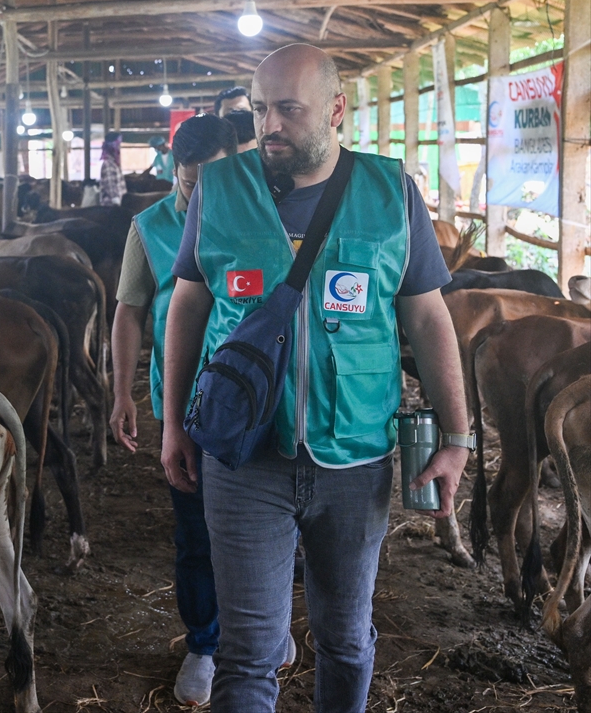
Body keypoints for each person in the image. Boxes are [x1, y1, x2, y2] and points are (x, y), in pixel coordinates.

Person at [161, 44, 468, 712]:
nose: (269, 125)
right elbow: (188, 305)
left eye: (288, 110)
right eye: (260, 109)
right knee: (248, 653)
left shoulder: (390, 192)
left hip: (355, 457)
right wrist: (174, 423)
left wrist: (457, 436)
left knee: (346, 639)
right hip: (243, 457)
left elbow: (427, 317)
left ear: (335, 110)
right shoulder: (220, 188)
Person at [110, 115, 237, 706]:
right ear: (175, 174)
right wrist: (122, 392)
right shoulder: (151, 227)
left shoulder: (265, 216)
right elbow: (129, 311)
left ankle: (260, 624)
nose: (200, 194)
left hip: (261, 398)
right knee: (195, 529)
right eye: (190, 184)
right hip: (184, 403)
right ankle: (205, 643)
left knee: (269, 523)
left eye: (214, 181)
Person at [98, 132, 125, 206]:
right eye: (118, 144)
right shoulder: (108, 164)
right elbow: (110, 184)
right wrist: (116, 201)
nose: (119, 147)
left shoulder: (113, 163)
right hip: (111, 205)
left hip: (118, 202)